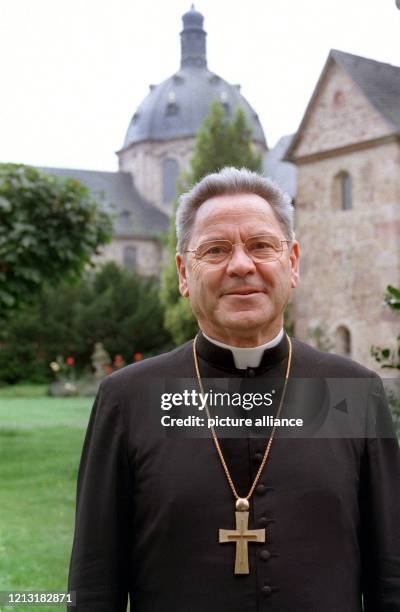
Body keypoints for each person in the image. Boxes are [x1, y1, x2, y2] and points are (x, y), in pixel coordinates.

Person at [68, 167, 400, 611]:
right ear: (185, 274)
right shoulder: (129, 400)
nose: (242, 265)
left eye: (262, 245)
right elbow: (93, 585)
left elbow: (391, 576)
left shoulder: (350, 392)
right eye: (215, 249)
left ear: (293, 263)